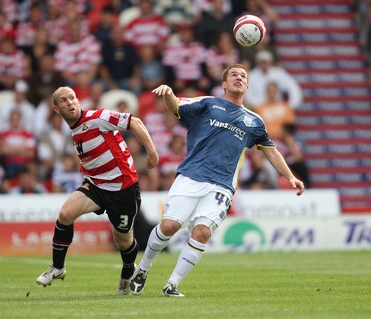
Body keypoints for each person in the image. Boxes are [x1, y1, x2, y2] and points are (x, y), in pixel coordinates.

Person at [129, 63, 305, 297]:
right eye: (234, 75)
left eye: (243, 76)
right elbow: (177, 108)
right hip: (191, 176)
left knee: (202, 232)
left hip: (222, 185)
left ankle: (171, 284)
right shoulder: (208, 103)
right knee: (169, 226)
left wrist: (290, 176)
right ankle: (143, 268)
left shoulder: (254, 121)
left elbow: (271, 151)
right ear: (224, 83)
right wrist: (169, 94)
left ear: (248, 85)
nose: (239, 78)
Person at [36, 86, 159, 296]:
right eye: (63, 101)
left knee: (123, 241)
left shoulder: (97, 116)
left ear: (78, 100)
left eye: (72, 98)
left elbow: (134, 121)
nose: (69, 103)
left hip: (123, 187)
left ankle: (128, 271)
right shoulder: (74, 129)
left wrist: (152, 151)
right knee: (65, 214)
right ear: (57, 109)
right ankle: (58, 267)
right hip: (96, 184)